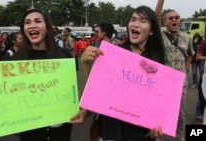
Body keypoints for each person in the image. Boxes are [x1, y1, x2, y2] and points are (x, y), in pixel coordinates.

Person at [81, 5, 163, 141]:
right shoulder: (113, 55)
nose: (136, 24)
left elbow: (160, 104)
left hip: (139, 134)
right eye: (133, 19)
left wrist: (158, 128)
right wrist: (85, 63)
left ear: (151, 31)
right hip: (111, 130)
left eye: (143, 21)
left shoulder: (158, 65)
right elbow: (99, 90)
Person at [10, 9, 88, 141]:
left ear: (47, 27)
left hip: (60, 129)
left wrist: (83, 109)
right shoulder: (14, 61)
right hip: (30, 131)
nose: (32, 25)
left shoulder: (63, 55)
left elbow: (72, 88)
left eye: (38, 21)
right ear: (24, 30)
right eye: (27, 22)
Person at [155, 0, 194, 140]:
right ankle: (157, 137)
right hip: (163, 81)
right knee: (160, 111)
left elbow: (190, 53)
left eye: (176, 17)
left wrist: (187, 67)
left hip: (181, 82)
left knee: (180, 114)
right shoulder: (162, 36)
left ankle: (180, 137)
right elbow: (155, 19)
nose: (174, 20)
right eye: (170, 18)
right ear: (165, 22)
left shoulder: (186, 37)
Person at [196, 39, 206, 124]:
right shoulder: (204, 42)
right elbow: (198, 57)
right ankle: (198, 115)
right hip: (204, 78)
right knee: (201, 98)